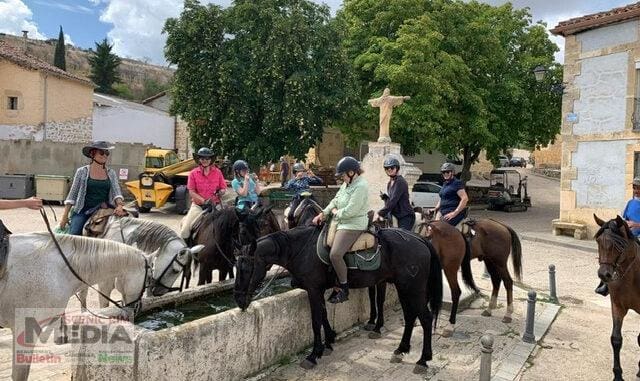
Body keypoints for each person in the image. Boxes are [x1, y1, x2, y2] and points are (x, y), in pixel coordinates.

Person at [312, 156, 368, 304]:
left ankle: (344, 288)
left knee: (335, 254)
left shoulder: (361, 186)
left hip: (353, 224)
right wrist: (323, 213)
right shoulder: (347, 185)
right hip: (341, 222)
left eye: (342, 175)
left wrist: (336, 213)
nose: (341, 178)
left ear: (351, 172)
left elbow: (352, 210)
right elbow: (335, 201)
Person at [60, 141, 127, 235]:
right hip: (83, 211)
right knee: (74, 235)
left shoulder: (111, 173)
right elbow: (72, 195)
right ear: (92, 154)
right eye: (101, 152)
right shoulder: (81, 172)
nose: (105, 155)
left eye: (107, 153)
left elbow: (116, 192)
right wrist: (64, 216)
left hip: (104, 210)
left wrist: (119, 205)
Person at [595, 177, 640, 296]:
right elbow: (624, 219)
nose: (636, 190)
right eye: (634, 187)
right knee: (613, 253)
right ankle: (605, 284)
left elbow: (634, 222)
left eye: (638, 187)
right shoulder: (630, 203)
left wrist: (636, 224)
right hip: (630, 236)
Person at [179, 147, 227, 239]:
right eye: (202, 158)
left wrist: (221, 192)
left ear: (211, 160)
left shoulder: (218, 172)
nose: (205, 160)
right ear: (199, 159)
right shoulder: (193, 173)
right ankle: (186, 251)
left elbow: (223, 188)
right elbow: (191, 191)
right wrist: (204, 201)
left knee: (228, 226)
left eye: (207, 158)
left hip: (215, 205)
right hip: (198, 207)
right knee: (184, 231)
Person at [374, 156, 414, 231]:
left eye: (392, 168)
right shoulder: (389, 183)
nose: (389, 170)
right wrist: (385, 198)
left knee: (401, 238)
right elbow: (391, 200)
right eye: (387, 168)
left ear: (397, 168)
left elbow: (393, 201)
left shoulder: (400, 181)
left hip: (405, 216)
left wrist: (380, 213)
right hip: (395, 215)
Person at [429, 162, 468, 227]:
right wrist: (435, 208)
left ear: (452, 172)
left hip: (454, 212)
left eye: (447, 172)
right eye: (443, 172)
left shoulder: (457, 183)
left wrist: (454, 213)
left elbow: (465, 199)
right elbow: (442, 197)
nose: (445, 174)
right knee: (431, 227)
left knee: (442, 228)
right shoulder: (445, 184)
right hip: (442, 211)